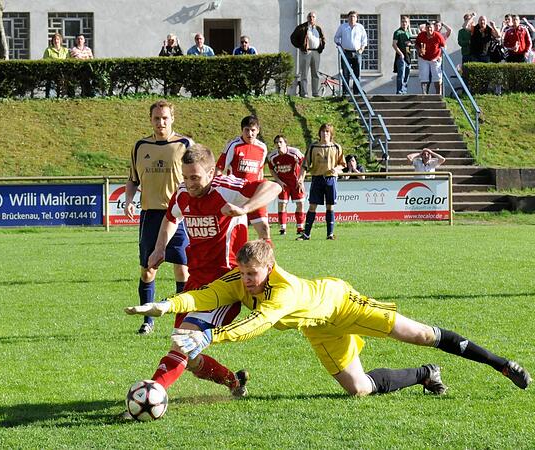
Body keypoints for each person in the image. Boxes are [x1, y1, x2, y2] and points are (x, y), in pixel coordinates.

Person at [126, 239, 532, 397]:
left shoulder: (280, 292)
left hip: (341, 303)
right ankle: (427, 373)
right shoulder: (239, 279)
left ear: (269, 267)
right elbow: (208, 294)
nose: (247, 282)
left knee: (421, 333)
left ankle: (501, 365)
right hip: (318, 328)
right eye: (244, 273)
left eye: (253, 275)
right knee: (358, 389)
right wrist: (166, 305)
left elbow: (258, 324)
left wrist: (213, 339)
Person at [136, 145, 281, 404]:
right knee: (190, 357)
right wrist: (160, 248)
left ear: (211, 172)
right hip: (195, 283)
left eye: (196, 177)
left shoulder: (227, 188)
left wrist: (244, 208)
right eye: (185, 176)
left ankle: (151, 396)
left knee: (182, 342)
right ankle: (234, 382)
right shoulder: (182, 193)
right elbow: (171, 217)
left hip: (226, 282)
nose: (189, 183)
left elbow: (273, 187)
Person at [123, 100, 192, 335]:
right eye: (156, 118)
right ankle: (147, 320)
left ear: (172, 118)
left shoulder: (185, 145)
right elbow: (133, 180)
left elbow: (197, 177)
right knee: (148, 269)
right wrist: (129, 201)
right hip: (150, 215)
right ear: (150, 120)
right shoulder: (140, 146)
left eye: (164, 118)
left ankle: (183, 320)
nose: (160, 122)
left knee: (183, 268)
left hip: (178, 214)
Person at [215, 115, 271, 240]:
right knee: (234, 234)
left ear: (258, 130)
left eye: (253, 130)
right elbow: (219, 169)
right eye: (247, 130)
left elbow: (260, 170)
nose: (250, 134)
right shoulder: (234, 146)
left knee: (265, 229)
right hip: (236, 194)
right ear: (242, 130)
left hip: (254, 193)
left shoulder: (262, 148)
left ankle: (268, 259)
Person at [298, 123, 344, 241]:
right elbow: (305, 165)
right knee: (312, 205)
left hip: (330, 179)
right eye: (323, 131)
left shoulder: (336, 147)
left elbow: (342, 165)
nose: (325, 134)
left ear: (331, 134)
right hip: (317, 178)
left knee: (330, 206)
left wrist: (336, 169)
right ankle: (306, 234)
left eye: (327, 132)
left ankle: (330, 234)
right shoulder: (313, 147)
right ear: (319, 133)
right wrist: (301, 179)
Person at [266, 134, 306, 237]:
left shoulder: (295, 153)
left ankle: (300, 227)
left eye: (281, 142)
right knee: (282, 204)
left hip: (295, 182)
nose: (278, 144)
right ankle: (283, 228)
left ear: (285, 143)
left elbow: (304, 164)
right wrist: (278, 181)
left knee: (300, 204)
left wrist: (301, 179)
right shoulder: (272, 156)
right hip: (283, 183)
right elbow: (271, 169)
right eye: (276, 143)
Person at [291, 11, 326, 97]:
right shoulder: (302, 27)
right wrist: (300, 47)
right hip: (306, 52)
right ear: (307, 18)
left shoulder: (318, 28)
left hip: (316, 52)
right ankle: (304, 93)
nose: (311, 18)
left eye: (313, 17)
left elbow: (322, 38)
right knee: (304, 73)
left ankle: (315, 93)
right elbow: (293, 38)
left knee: (315, 74)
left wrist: (321, 48)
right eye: (310, 17)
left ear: (315, 18)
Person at [333, 11, 367, 92]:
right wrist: (341, 47)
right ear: (348, 18)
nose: (352, 18)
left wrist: (362, 49)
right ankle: (346, 91)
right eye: (350, 16)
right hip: (346, 53)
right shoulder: (343, 27)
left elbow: (364, 40)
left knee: (357, 73)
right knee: (345, 73)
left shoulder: (360, 27)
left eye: (354, 16)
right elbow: (336, 38)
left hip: (357, 53)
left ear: (356, 18)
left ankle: (357, 91)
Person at [416, 22, 447, 95]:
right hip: (423, 58)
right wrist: (419, 50)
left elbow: (444, 47)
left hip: (435, 58)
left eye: (431, 28)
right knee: (424, 76)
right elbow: (416, 44)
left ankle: (438, 95)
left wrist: (440, 56)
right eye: (428, 27)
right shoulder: (421, 35)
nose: (429, 29)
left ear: (433, 28)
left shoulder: (438, 35)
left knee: (437, 76)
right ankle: (424, 94)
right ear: (425, 28)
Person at [392, 16, 415, 95]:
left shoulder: (408, 33)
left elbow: (410, 44)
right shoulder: (397, 32)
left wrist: (410, 44)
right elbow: (394, 44)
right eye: (402, 21)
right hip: (401, 57)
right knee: (401, 75)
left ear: (408, 23)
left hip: (408, 57)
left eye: (406, 22)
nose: (404, 23)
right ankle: (399, 91)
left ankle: (404, 91)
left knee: (406, 76)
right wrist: (400, 54)